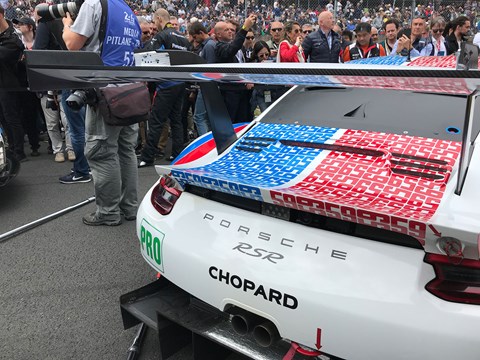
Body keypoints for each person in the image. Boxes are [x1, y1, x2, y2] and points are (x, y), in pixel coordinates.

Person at [62, 0, 141, 226]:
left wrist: (67, 24)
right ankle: (129, 207)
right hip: (130, 90)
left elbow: (72, 44)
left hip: (105, 91)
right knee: (126, 151)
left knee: (102, 153)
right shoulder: (127, 9)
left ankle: (108, 212)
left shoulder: (94, 3)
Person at [138, 8, 191, 167]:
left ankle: (147, 157)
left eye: (154, 21)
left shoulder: (162, 35)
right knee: (176, 120)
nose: (155, 25)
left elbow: (148, 52)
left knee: (156, 121)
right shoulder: (183, 38)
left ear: (160, 19)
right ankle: (177, 153)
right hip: (180, 83)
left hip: (166, 84)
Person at [214, 15, 256, 124]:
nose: (230, 32)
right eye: (226, 30)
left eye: (232, 30)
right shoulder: (220, 47)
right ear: (218, 34)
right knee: (231, 122)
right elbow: (231, 50)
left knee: (243, 122)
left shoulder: (239, 48)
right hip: (229, 92)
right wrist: (245, 28)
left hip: (242, 90)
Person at [0, 5, 26, 162]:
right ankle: (10, 148)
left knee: (12, 118)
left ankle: (18, 150)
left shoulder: (13, 37)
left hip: (10, 84)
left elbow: (6, 55)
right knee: (3, 119)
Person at [189, 21, 215, 136]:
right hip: (207, 86)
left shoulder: (208, 46)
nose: (195, 40)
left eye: (195, 37)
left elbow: (209, 69)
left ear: (200, 33)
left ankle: (205, 144)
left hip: (206, 86)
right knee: (206, 118)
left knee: (199, 117)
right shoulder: (209, 45)